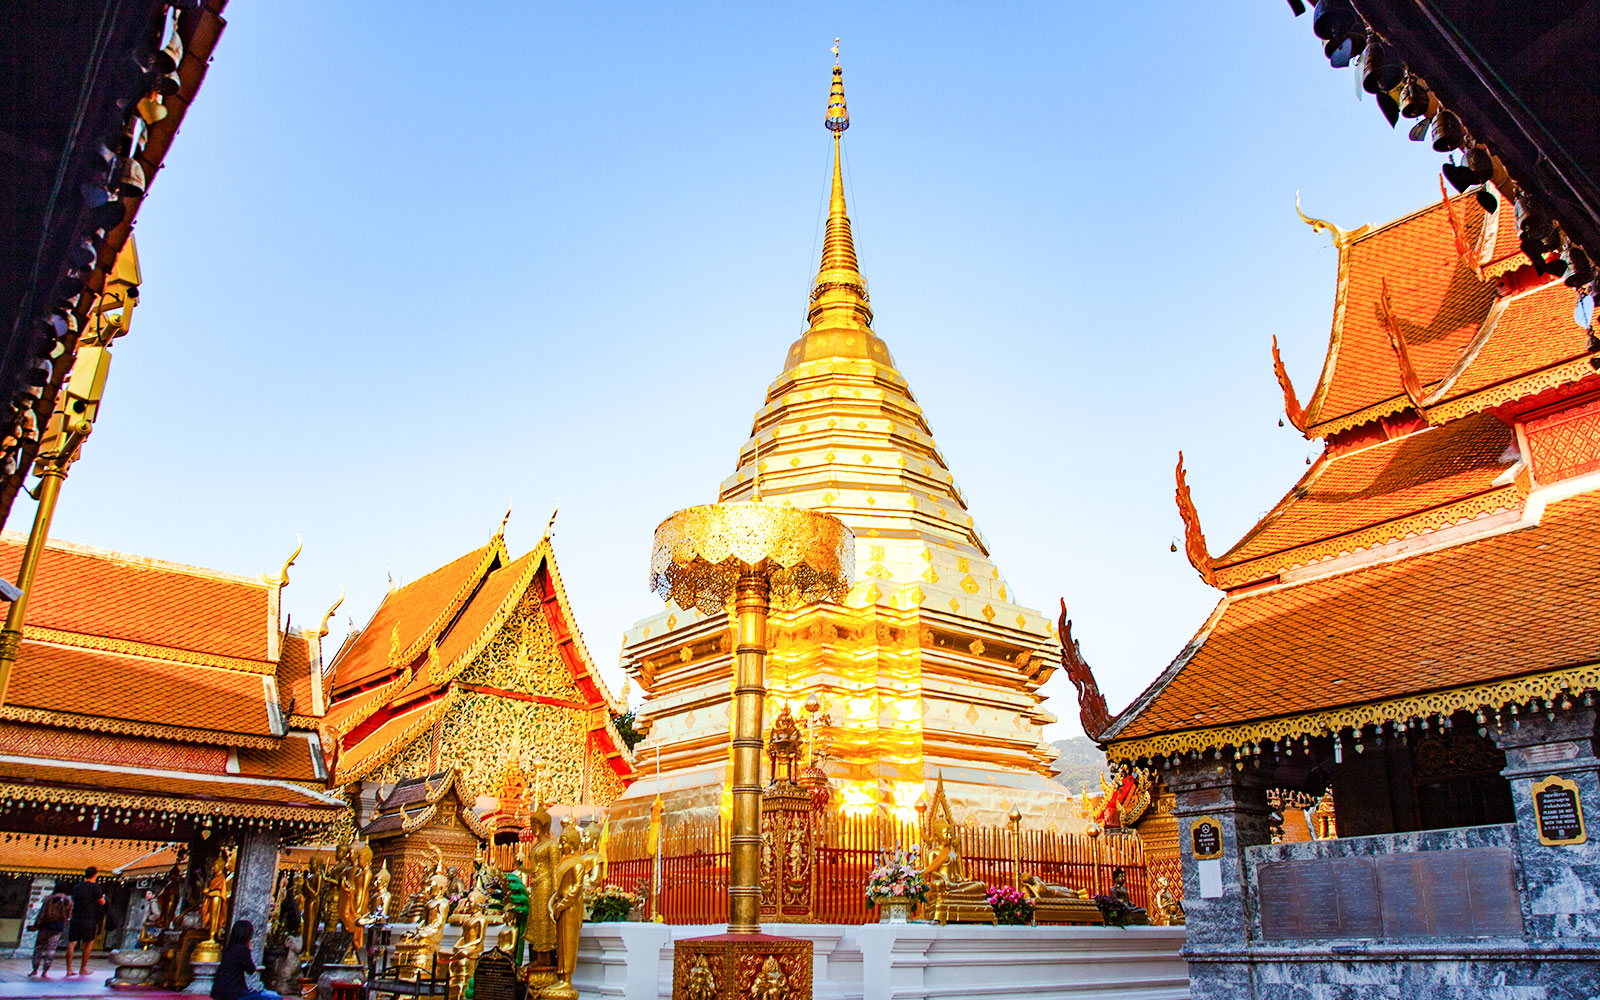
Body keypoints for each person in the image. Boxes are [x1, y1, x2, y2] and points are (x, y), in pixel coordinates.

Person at [212, 920, 280, 1000]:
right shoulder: (242, 949)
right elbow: (251, 970)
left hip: (219, 990)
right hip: (234, 992)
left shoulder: (227, 948)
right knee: (274, 998)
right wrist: (249, 949)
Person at [65, 866, 105, 976]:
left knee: (72, 942)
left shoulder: (77, 887)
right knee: (88, 942)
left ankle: (69, 969)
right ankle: (83, 968)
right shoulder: (95, 887)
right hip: (89, 917)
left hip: (76, 916)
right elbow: (102, 902)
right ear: (95, 875)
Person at [29, 880, 73, 977]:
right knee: (51, 949)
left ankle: (35, 969)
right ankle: (45, 971)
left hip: (45, 925)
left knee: (39, 948)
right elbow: (68, 915)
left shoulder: (49, 898)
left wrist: (36, 925)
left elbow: (42, 913)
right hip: (58, 926)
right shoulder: (68, 901)